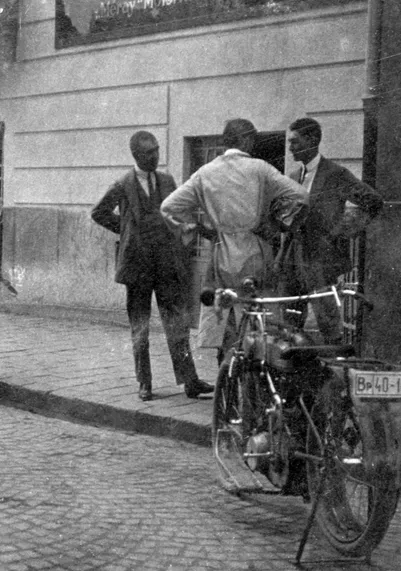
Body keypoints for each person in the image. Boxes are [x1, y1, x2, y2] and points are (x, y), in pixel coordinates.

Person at [161, 118, 308, 361]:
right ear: (247, 140)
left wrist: (197, 228)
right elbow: (301, 197)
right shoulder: (260, 169)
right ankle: (256, 383)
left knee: (226, 319)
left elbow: (169, 207)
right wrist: (280, 224)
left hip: (221, 254)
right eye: (252, 139)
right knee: (261, 321)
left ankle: (227, 380)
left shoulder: (205, 172)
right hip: (255, 252)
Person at [92, 131, 214, 401]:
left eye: (157, 150)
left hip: (166, 263)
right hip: (137, 267)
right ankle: (144, 382)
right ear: (136, 155)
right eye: (149, 153)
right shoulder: (123, 184)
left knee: (177, 325)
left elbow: (179, 210)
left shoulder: (168, 180)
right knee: (140, 326)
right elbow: (98, 212)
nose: (155, 156)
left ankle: (190, 382)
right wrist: (126, 232)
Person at [281, 117, 384, 343]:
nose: (290, 148)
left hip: (321, 261)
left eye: (295, 142)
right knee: (290, 323)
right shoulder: (293, 177)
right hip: (294, 259)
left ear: (313, 139)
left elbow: (373, 201)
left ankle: (335, 370)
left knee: (329, 325)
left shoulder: (335, 174)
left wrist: (341, 230)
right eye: (289, 142)